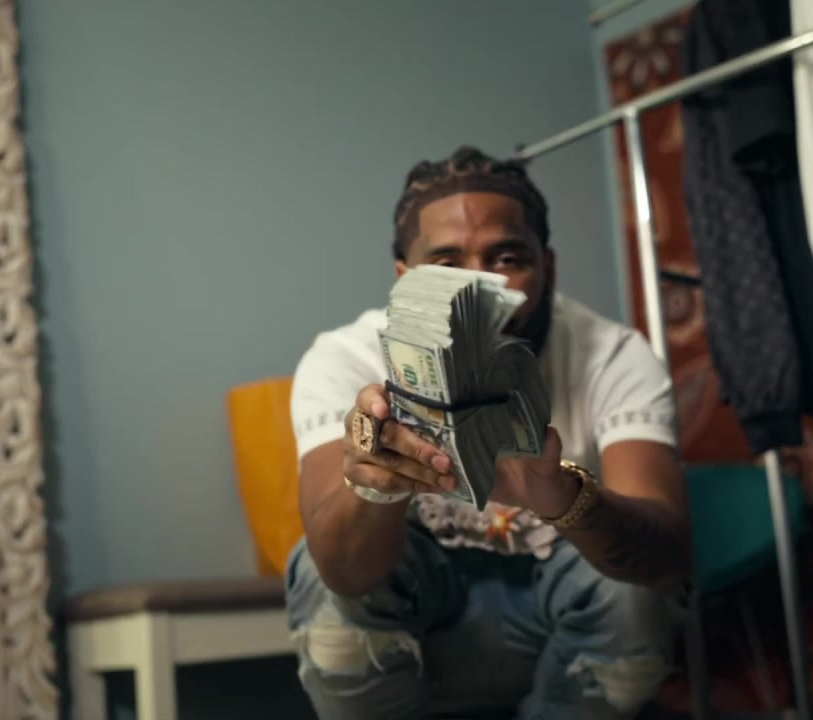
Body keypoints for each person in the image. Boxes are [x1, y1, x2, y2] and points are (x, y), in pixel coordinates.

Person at [286, 146, 692, 720]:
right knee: (322, 588)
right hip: (421, 607)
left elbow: (668, 561)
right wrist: (375, 486)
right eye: (446, 264)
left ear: (547, 267)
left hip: (562, 616)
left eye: (507, 258)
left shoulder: (613, 355)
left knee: (632, 594)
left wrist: (566, 498)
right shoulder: (344, 359)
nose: (478, 288)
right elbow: (342, 574)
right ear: (404, 277)